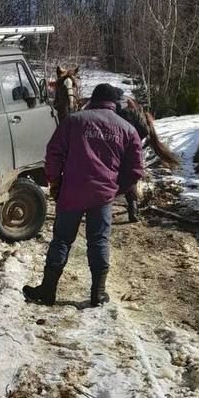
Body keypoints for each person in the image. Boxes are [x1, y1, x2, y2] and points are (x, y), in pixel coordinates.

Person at [23, 82, 144, 308]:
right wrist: (116, 189)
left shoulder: (74, 121)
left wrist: (55, 181)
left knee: (61, 240)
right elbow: (136, 169)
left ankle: (48, 291)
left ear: (93, 100)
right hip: (102, 196)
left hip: (72, 191)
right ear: (114, 103)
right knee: (98, 241)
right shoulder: (127, 129)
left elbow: (53, 154)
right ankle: (97, 294)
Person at [114, 94, 149, 222]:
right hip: (133, 148)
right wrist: (137, 141)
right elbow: (145, 130)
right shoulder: (135, 110)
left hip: (115, 148)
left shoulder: (114, 112)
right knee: (131, 177)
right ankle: (133, 210)